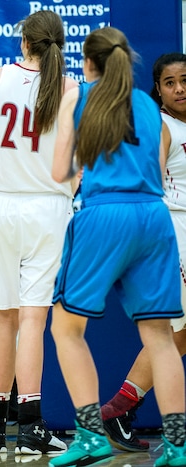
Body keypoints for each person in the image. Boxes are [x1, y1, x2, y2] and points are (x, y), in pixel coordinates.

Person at [49, 28, 186, 467]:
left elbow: (58, 172)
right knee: (162, 338)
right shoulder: (150, 107)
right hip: (154, 217)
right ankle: (178, 447)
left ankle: (91, 436)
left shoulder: (81, 96)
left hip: (106, 212)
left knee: (66, 329)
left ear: (89, 63)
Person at [0, 10, 75, 455]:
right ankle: (30, 428)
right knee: (33, 321)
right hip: (47, 207)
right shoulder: (67, 87)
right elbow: (69, 160)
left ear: (23, 40)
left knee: (3, 317)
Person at [97, 52, 186, 454]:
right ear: (159, 88)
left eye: (185, 80)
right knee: (171, 336)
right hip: (174, 233)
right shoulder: (162, 126)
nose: (180, 88)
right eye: (170, 82)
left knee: (179, 337)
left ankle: (119, 408)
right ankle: (127, 412)